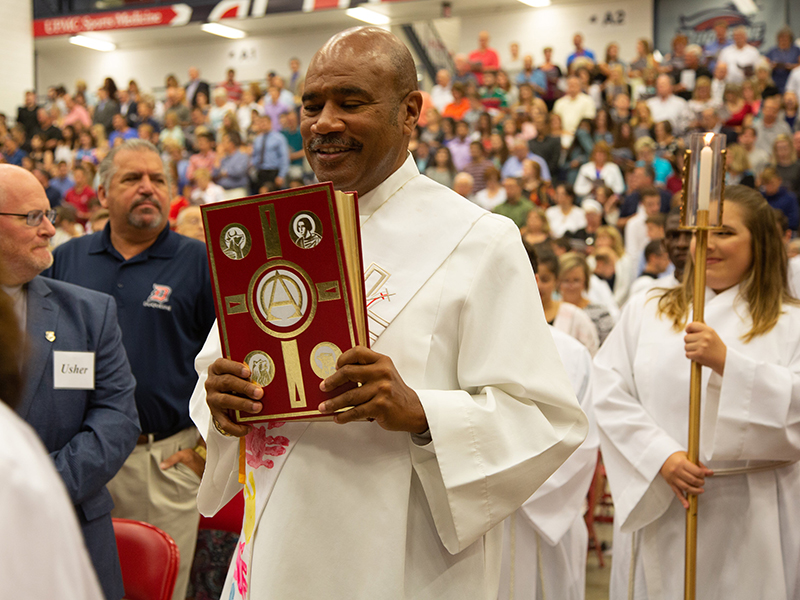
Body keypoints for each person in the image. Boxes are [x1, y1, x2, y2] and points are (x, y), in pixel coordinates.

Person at [191, 26, 587, 600]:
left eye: (350, 103)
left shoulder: (479, 240)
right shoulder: (270, 235)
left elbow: (546, 418)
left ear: (410, 112)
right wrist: (222, 401)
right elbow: (217, 376)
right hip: (277, 540)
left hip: (403, 559)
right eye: (312, 105)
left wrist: (423, 412)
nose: (325, 122)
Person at [593, 184, 800, 599]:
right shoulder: (649, 309)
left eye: (725, 232)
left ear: (759, 241)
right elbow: (608, 390)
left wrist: (729, 364)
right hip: (663, 496)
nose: (707, 243)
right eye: (698, 231)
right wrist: (660, 456)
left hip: (750, 512)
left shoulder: (789, 322)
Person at [46, 139, 217, 600]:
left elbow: (231, 361)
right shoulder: (68, 259)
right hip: (76, 464)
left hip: (159, 465)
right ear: (101, 194)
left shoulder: (199, 263)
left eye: (158, 179)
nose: (148, 188)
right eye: (132, 179)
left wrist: (205, 452)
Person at [0, 164, 139, 599]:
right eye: (31, 217)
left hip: (72, 526)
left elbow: (117, 420)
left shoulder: (89, 314)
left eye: (49, 215)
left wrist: (34, 488)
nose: (48, 229)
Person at [0, 285, 106, 600]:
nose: (48, 231)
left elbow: (118, 415)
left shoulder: (12, 455)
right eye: (31, 228)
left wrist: (49, 483)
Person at [498, 322, 599, 600]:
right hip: (482, 512)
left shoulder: (572, 354)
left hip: (548, 511)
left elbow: (585, 439)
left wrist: (509, 483)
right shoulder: (466, 339)